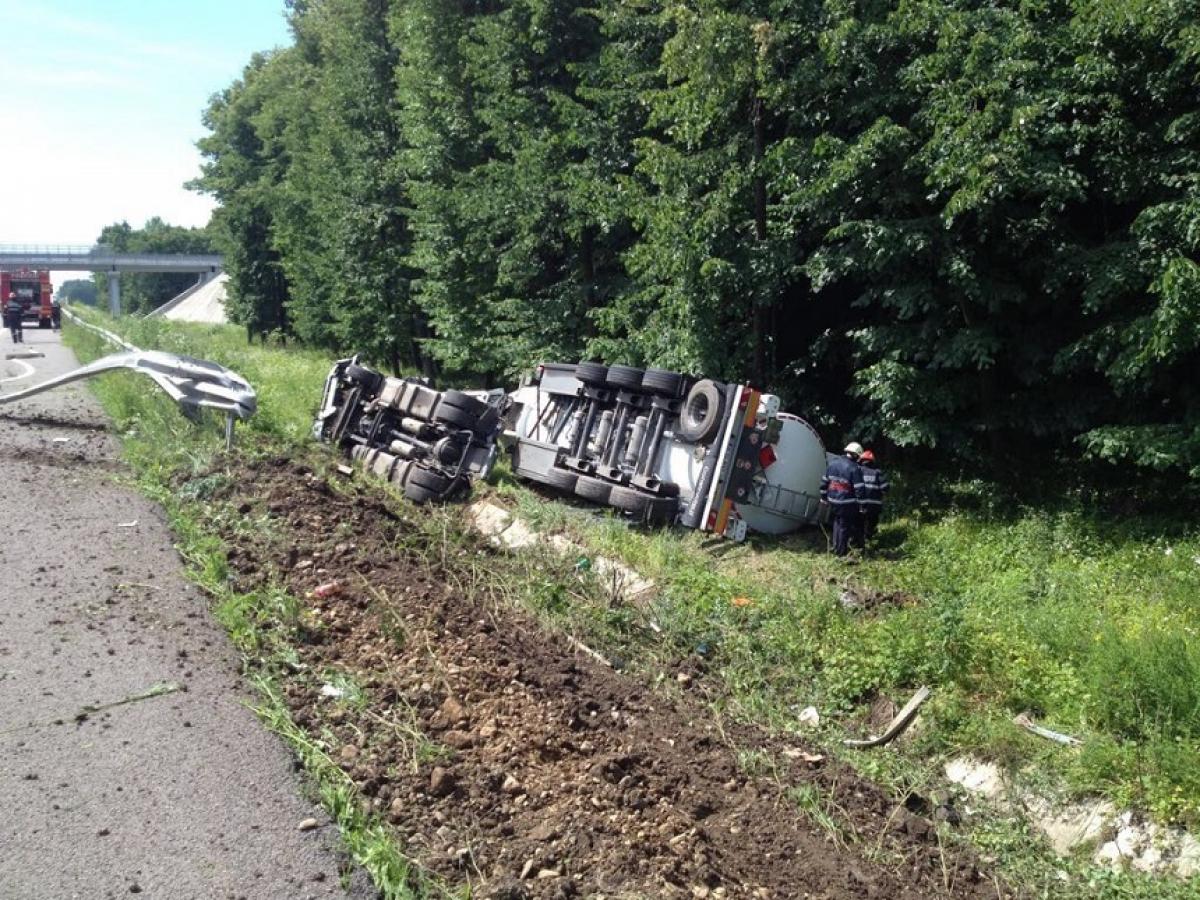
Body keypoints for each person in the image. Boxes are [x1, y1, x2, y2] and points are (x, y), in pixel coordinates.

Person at [821, 441, 866, 556]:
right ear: (856, 455)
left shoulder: (833, 463)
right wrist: (862, 505)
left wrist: (823, 497)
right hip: (846, 502)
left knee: (837, 523)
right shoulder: (854, 468)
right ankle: (841, 553)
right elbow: (859, 489)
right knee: (844, 527)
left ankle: (835, 547)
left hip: (832, 500)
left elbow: (824, 481)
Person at [858, 449, 889, 542]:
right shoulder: (877, 472)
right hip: (874, 505)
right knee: (871, 522)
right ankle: (868, 538)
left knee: (859, 523)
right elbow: (885, 487)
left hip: (860, 504)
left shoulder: (857, 471)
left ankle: (859, 541)